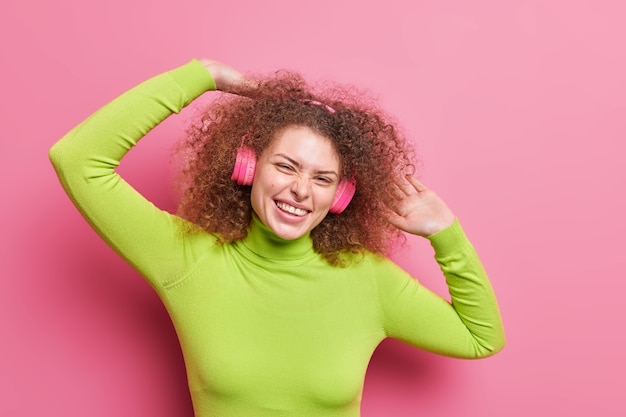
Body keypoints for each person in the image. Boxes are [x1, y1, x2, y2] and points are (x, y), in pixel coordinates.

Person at [49, 58, 505, 417]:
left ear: (341, 196)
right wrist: (199, 76)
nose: (301, 190)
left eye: (323, 178)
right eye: (286, 166)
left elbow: (481, 338)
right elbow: (78, 159)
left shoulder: (367, 279)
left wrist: (446, 234)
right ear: (247, 166)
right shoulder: (184, 257)